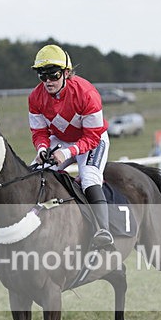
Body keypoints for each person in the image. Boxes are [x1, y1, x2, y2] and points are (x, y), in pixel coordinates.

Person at [28, 44, 114, 249]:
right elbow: (39, 132)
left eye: (53, 75)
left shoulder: (87, 94)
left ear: (66, 73)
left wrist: (67, 152)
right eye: (42, 76)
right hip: (61, 139)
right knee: (34, 174)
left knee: (90, 177)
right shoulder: (35, 97)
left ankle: (104, 230)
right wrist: (41, 149)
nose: (48, 81)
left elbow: (92, 137)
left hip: (91, 139)